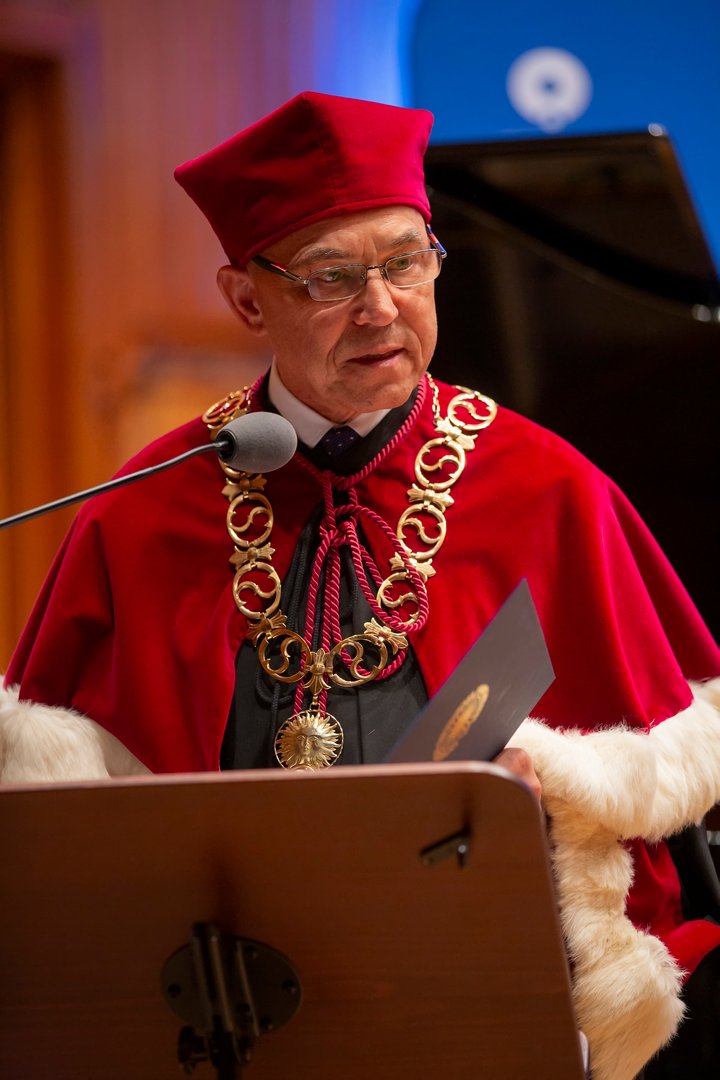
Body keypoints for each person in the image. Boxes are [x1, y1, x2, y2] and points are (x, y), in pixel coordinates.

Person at [1, 91, 719, 1078]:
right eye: (333, 277)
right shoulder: (144, 508)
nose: (381, 306)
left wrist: (548, 801)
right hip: (226, 1022)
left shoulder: (551, 488)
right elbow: (58, 831)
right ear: (247, 299)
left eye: (407, 262)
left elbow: (656, 793)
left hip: (483, 1004)